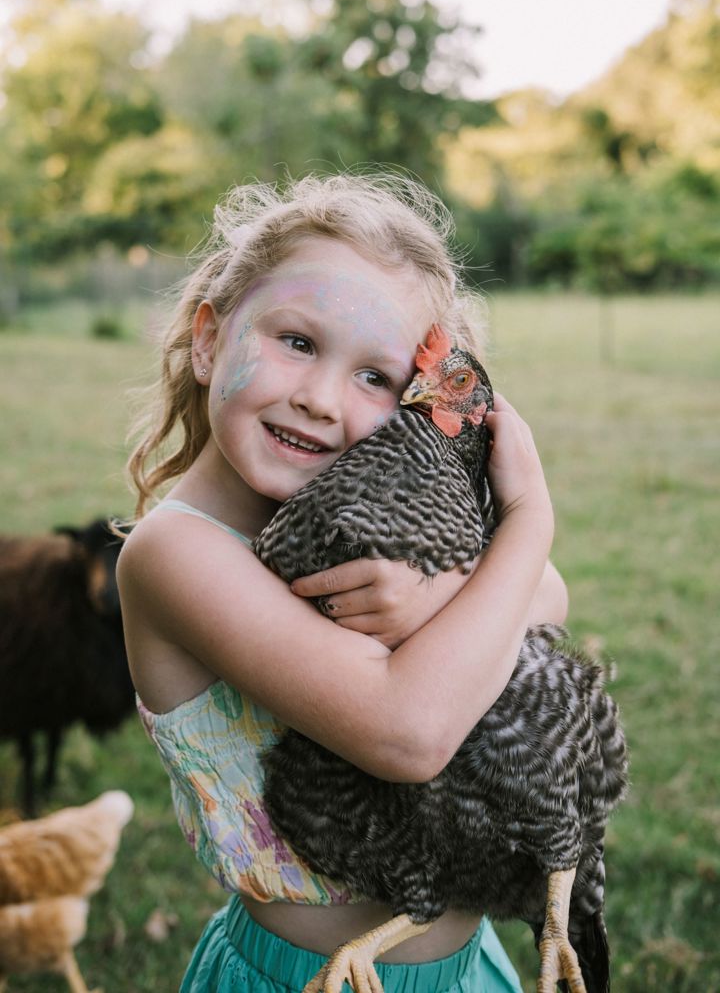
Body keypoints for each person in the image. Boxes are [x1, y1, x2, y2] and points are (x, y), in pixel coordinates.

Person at [117, 172, 568, 993]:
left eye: (376, 378)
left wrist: (441, 595)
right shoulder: (178, 555)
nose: (323, 399)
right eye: (297, 342)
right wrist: (530, 515)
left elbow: (551, 597)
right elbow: (408, 733)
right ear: (210, 337)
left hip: (472, 970)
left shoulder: (366, 514)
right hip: (308, 979)